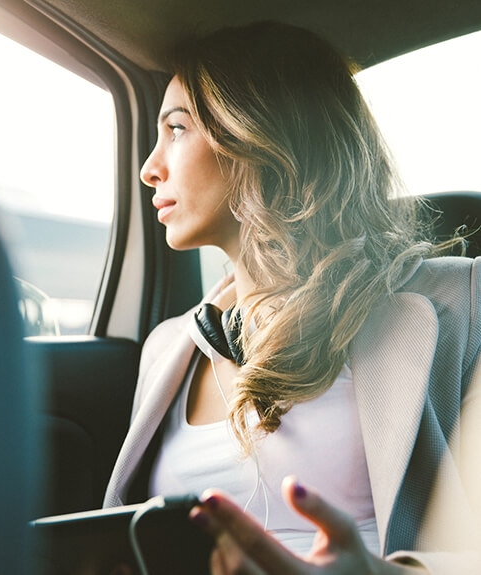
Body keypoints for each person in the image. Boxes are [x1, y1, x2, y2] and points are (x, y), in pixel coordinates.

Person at [104, 22, 481, 574]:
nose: (148, 167)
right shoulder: (169, 349)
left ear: (257, 135)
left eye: (177, 128)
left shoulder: (463, 304)